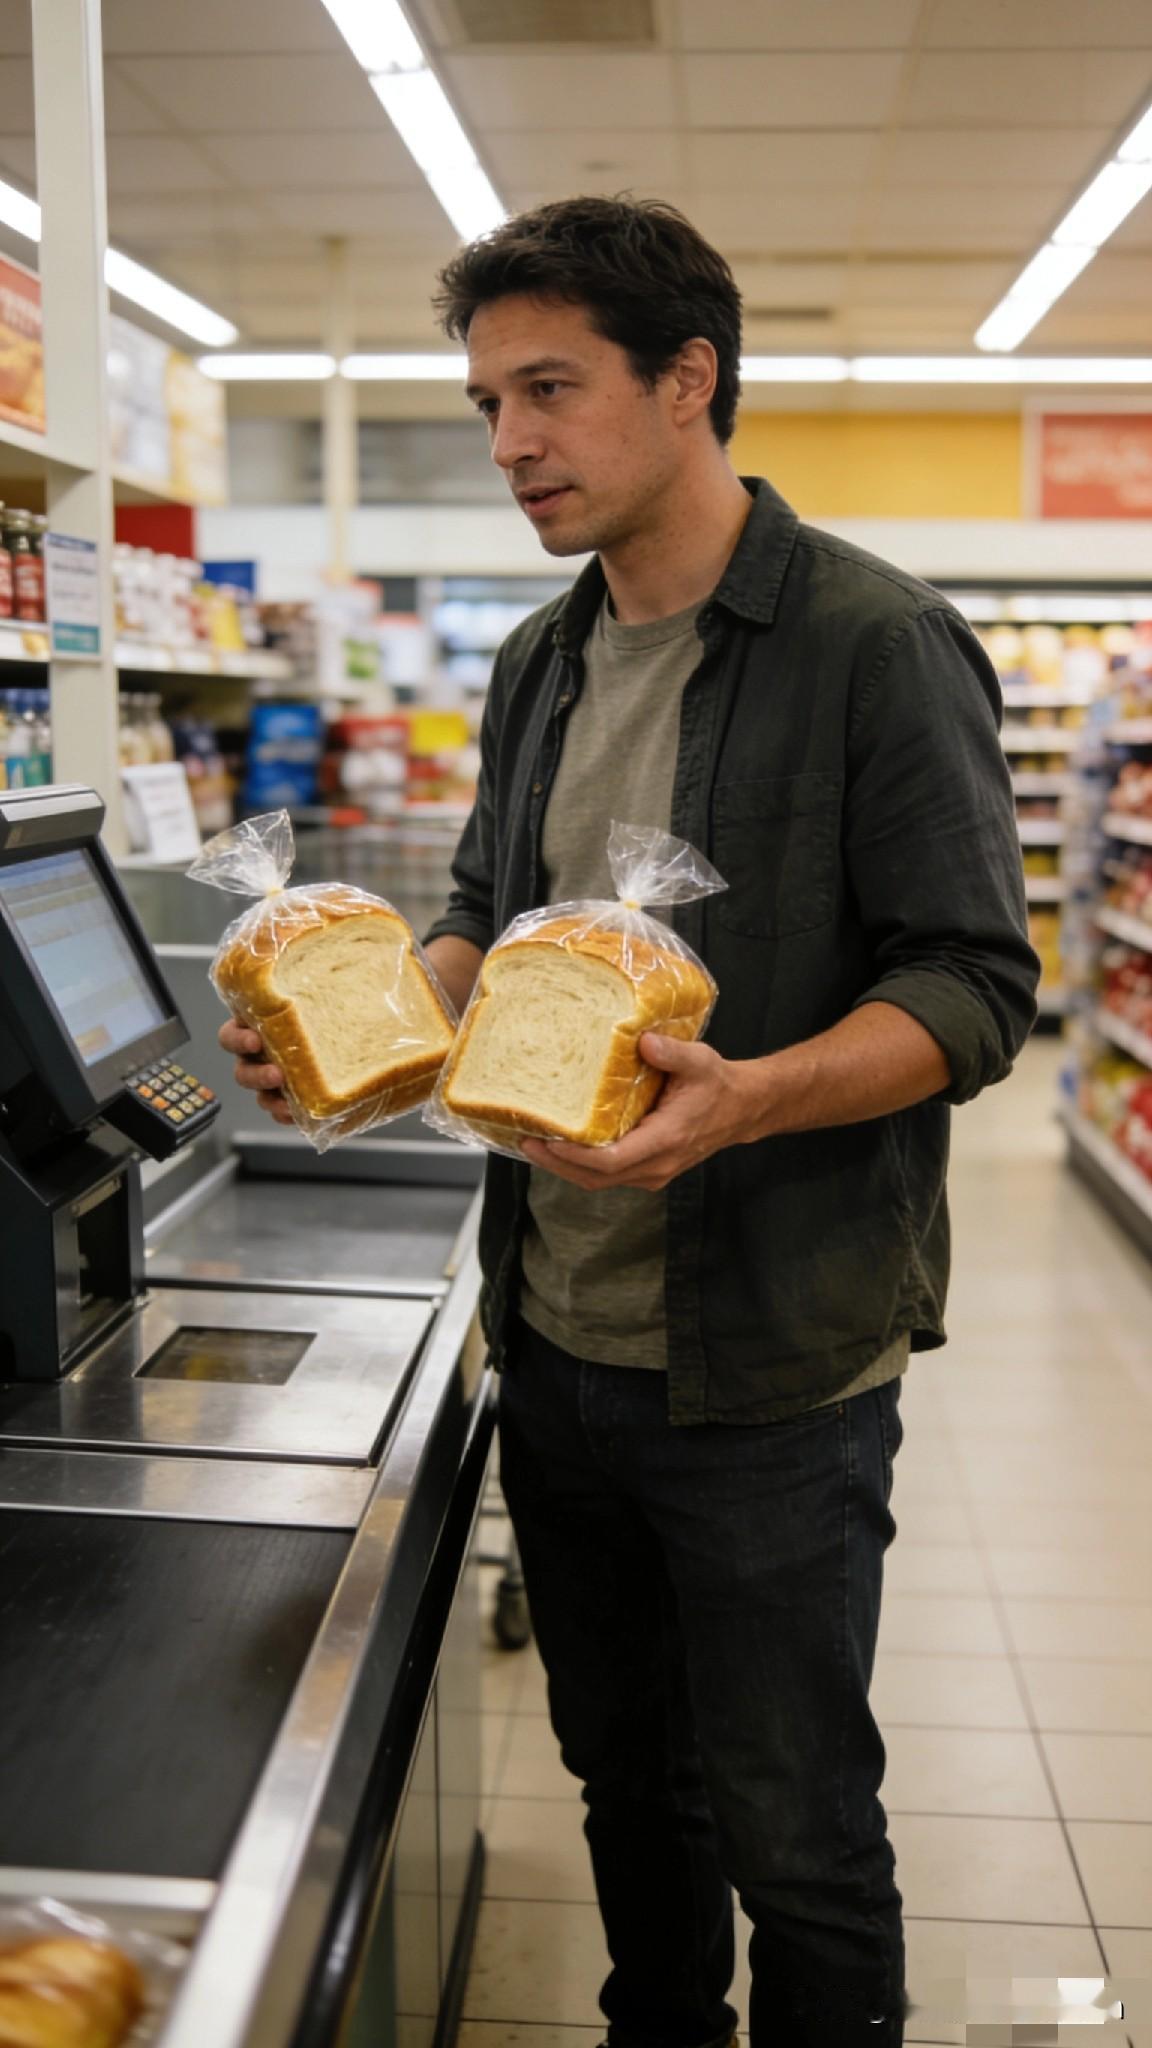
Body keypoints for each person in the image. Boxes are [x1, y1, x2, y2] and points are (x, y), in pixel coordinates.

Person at [222, 197, 1038, 2048]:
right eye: (488, 400)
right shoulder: (540, 660)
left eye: (550, 390)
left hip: (768, 1360)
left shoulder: (875, 644)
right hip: (556, 1333)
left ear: (690, 384)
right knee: (625, 1793)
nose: (508, 443)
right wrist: (348, 1021)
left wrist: (746, 1099)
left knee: (799, 1831)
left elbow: (977, 985)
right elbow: (477, 915)